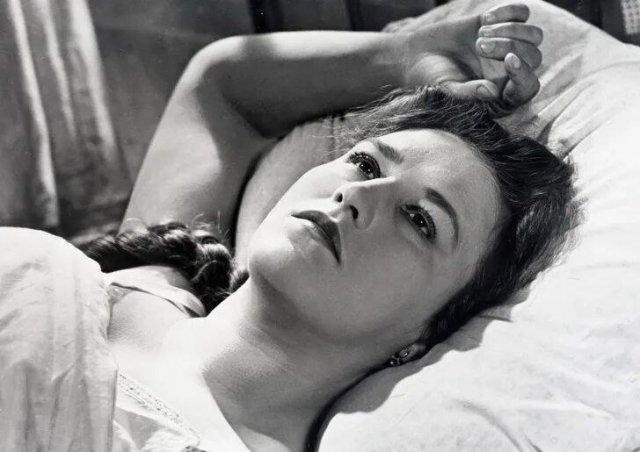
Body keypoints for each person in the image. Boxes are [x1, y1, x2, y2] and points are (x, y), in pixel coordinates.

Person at [82, 3, 576, 450]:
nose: (358, 195)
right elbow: (221, 89)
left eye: (419, 219)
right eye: (366, 165)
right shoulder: (152, 278)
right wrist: (405, 56)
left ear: (427, 334)